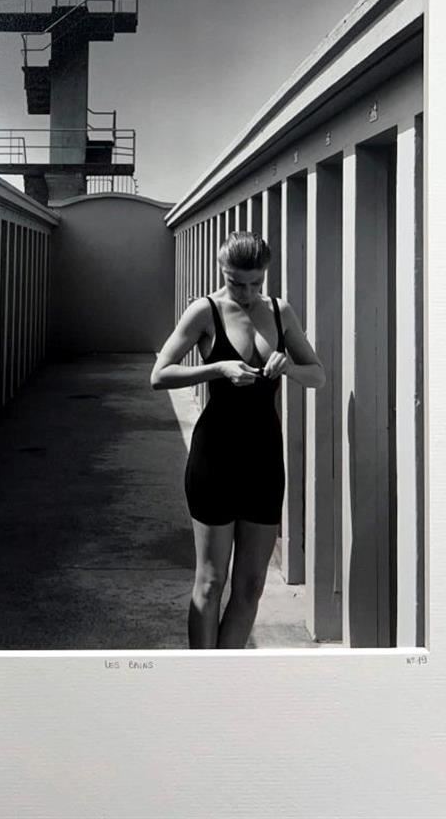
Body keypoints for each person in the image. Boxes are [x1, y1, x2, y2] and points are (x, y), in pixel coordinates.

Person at [150, 231, 325, 649]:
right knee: (211, 582)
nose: (246, 293)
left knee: (250, 586)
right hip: (215, 460)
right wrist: (218, 368)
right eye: (236, 283)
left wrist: (289, 367)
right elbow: (160, 374)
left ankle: (225, 674)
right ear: (222, 271)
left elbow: (317, 375)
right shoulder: (204, 311)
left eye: (255, 283)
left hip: (264, 461)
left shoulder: (280, 312)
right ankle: (200, 676)